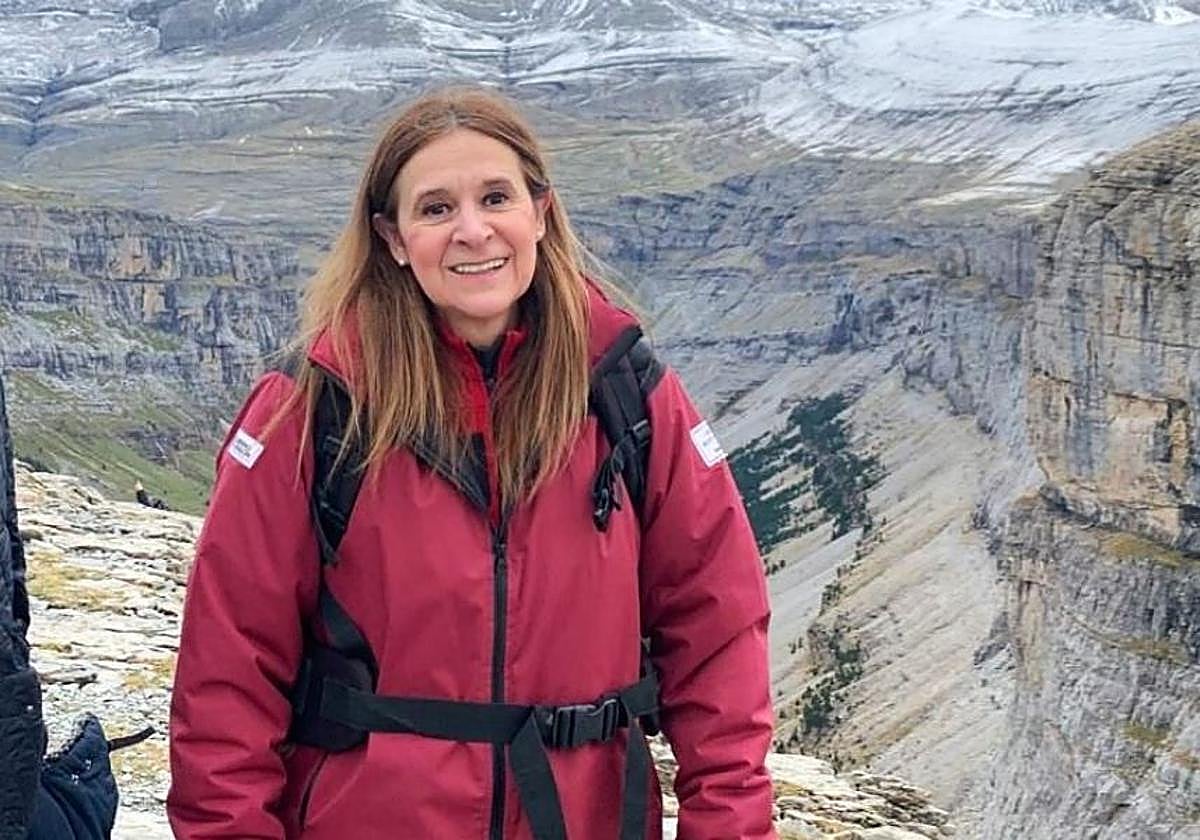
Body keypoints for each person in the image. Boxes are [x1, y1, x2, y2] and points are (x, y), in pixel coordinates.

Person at [167, 86, 776, 839]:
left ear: (540, 212)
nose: (473, 231)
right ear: (392, 237)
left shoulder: (626, 391)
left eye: (496, 197)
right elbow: (228, 666)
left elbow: (717, 631)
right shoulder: (316, 406)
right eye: (435, 209)